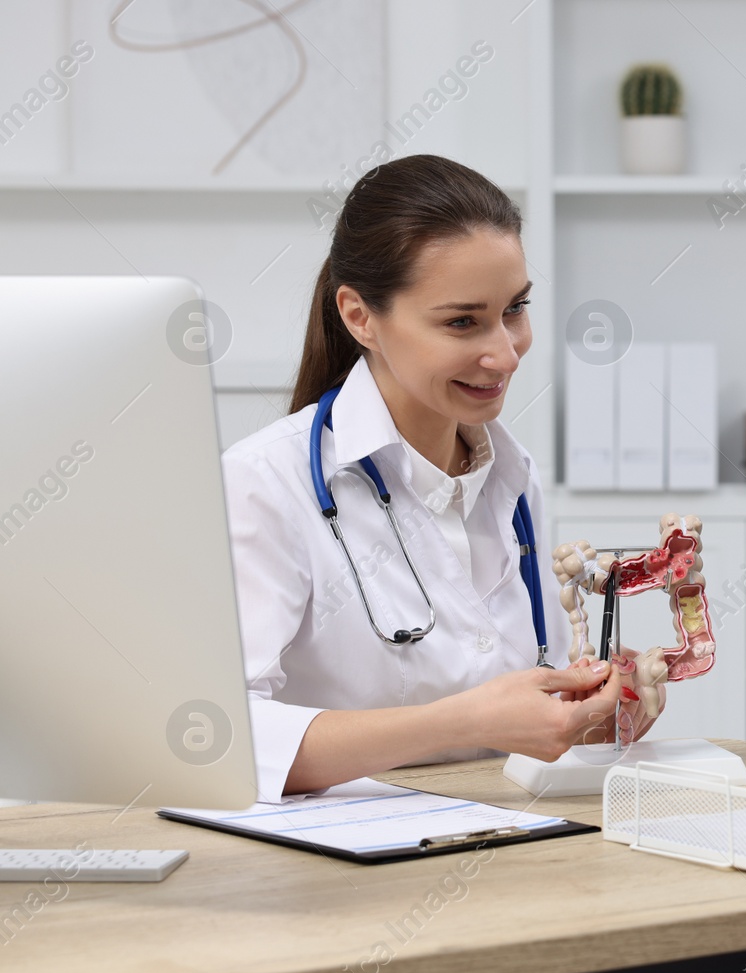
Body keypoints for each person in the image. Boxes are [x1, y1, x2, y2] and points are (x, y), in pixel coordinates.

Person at [224, 154, 658, 801]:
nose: (505, 352)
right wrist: (466, 719)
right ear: (360, 315)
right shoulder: (265, 483)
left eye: (515, 309)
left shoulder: (513, 479)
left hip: (501, 843)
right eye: (463, 321)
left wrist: (584, 718)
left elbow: (511, 717)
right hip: (328, 873)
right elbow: (224, 737)